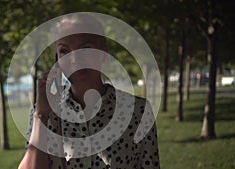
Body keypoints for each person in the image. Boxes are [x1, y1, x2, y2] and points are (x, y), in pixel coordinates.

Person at [18, 13, 160, 169]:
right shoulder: (44, 114)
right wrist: (42, 116)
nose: (74, 59)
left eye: (85, 48)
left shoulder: (138, 112)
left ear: (104, 53)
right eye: (64, 51)